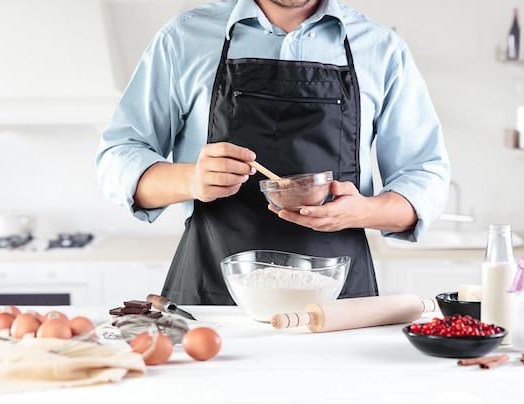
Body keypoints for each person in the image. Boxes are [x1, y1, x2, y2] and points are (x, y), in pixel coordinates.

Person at [96, 0, 451, 305]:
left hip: (338, 307)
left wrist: (366, 211)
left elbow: (426, 176)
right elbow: (117, 158)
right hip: (214, 301)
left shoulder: (381, 49)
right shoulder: (183, 39)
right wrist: (191, 178)